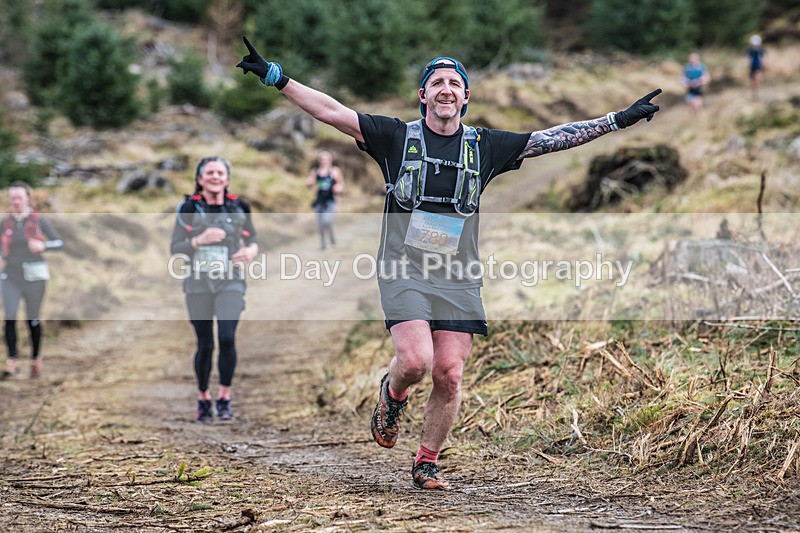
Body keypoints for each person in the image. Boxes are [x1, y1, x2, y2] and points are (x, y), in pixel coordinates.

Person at [237, 37, 660, 489]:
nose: (445, 89)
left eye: (454, 83)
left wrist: (618, 119)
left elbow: (553, 138)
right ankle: (393, 392)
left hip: (458, 276)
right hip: (403, 271)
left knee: (449, 373)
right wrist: (276, 77)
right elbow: (331, 111)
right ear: (423, 95)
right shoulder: (394, 137)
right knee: (417, 361)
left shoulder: (486, 147)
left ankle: (426, 461)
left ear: (465, 96)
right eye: (436, 82)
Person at [170, 156, 259, 423]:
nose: (215, 177)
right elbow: (176, 248)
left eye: (220, 172)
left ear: (227, 178)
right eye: (209, 172)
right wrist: (199, 240)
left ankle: (224, 397)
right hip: (198, 283)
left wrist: (251, 251)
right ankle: (203, 398)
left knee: (228, 337)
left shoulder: (239, 206)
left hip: (230, 280)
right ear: (200, 179)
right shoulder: (188, 207)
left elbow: (252, 237)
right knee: (205, 343)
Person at [1, 181, 63, 379]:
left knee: (32, 319)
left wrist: (43, 246)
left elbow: (59, 242)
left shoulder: (38, 220)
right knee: (9, 315)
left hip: (35, 277)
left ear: (28, 198)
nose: (15, 201)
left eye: (19, 197)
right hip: (10, 275)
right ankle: (12, 360)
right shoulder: (5, 223)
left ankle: (36, 358)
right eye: (12, 198)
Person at [307, 150, 344, 249]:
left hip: (330, 201)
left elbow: (341, 184)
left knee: (327, 221)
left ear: (330, 160)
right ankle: (322, 243)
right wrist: (310, 182)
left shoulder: (334, 171)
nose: (324, 161)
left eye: (326, 159)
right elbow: (310, 183)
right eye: (322, 159)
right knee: (320, 224)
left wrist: (338, 188)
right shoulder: (316, 171)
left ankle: (331, 237)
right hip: (319, 200)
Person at [746, 34, 766, 99]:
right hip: (752, 66)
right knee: (752, 79)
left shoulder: (760, 50)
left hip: (758, 66)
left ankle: (756, 92)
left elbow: (764, 58)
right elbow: (745, 57)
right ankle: (754, 92)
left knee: (757, 78)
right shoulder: (750, 50)